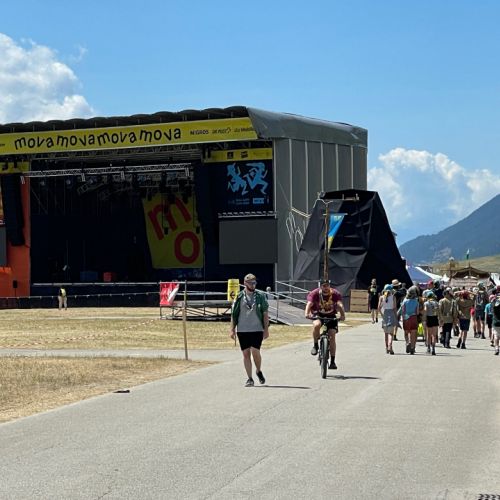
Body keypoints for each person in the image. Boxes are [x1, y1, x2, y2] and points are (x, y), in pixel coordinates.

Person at [230, 273, 269, 387]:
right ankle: (250, 378)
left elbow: (265, 314)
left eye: (254, 282)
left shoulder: (260, 296)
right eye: (251, 283)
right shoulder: (239, 297)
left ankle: (258, 370)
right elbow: (234, 314)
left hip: (257, 329)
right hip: (242, 330)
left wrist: (266, 329)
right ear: (245, 283)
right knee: (246, 354)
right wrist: (232, 329)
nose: (253, 285)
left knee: (255, 352)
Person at [305, 279, 345, 369]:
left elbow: (340, 304)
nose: (326, 288)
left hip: (331, 316)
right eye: (324, 286)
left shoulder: (335, 293)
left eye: (327, 285)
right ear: (320, 286)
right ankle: (315, 345)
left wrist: (342, 315)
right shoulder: (315, 293)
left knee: (332, 335)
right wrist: (306, 313)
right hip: (318, 314)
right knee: (316, 325)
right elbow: (309, 304)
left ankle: (333, 362)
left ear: (329, 286)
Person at [399, 285, 420, 354]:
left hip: (406, 318)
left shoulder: (405, 301)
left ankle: (407, 342)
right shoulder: (416, 301)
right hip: (413, 318)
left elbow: (403, 311)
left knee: (406, 333)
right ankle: (412, 347)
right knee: (413, 334)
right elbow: (417, 312)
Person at [378, 284, 397, 354]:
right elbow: (394, 308)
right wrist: (396, 317)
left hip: (385, 314)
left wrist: (382, 315)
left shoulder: (381, 297)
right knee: (391, 333)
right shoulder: (393, 297)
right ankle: (390, 346)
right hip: (391, 314)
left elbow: (379, 308)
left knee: (386, 333)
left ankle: (386, 347)